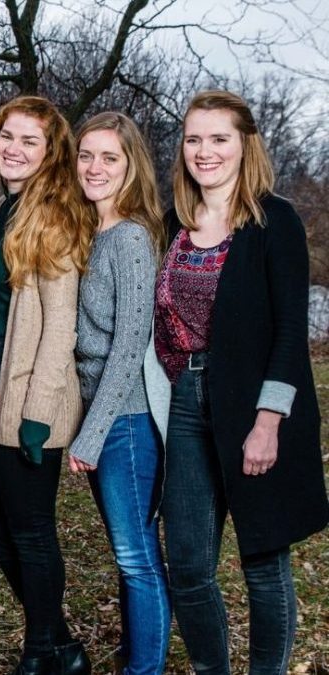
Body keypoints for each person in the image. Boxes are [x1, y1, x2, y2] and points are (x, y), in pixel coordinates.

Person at [148, 89, 329, 674]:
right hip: (185, 401)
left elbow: (289, 332)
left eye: (219, 138)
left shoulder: (274, 220)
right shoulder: (172, 219)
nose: (205, 151)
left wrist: (268, 422)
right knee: (190, 563)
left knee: (262, 559)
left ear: (245, 143)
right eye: (194, 138)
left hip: (254, 407)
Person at [0, 95, 92, 675]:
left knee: (31, 528)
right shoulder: (1, 208)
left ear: (51, 153)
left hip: (27, 387)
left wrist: (39, 410)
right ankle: (58, 640)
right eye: (7, 137)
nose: (13, 150)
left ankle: (44, 649)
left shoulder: (56, 216)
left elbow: (61, 323)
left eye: (29, 141)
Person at [69, 112, 170, 675]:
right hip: (105, 418)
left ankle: (144, 668)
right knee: (131, 556)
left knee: (137, 559)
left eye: (109, 157)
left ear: (130, 166)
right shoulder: (95, 231)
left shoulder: (130, 238)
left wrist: (92, 432)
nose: (95, 167)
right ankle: (138, 655)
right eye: (87, 155)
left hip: (127, 423)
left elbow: (131, 345)